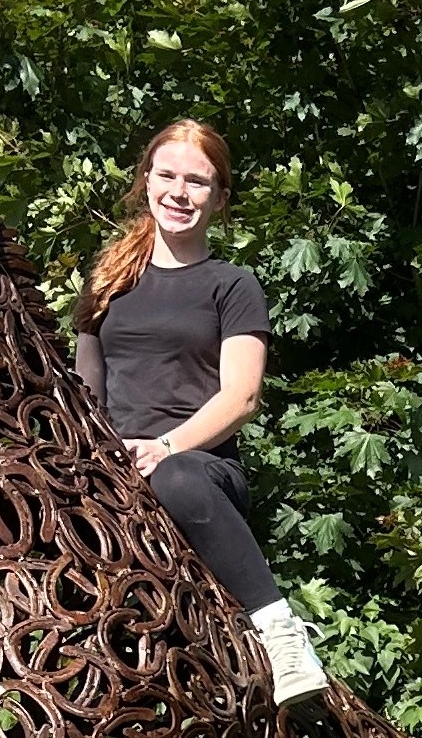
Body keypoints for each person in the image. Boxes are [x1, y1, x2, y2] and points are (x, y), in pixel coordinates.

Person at [74, 119, 327, 707]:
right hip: (116, 465)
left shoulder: (233, 286)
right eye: (167, 176)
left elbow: (241, 397)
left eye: (197, 182)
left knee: (177, 474)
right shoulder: (107, 282)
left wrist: (165, 446)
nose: (179, 193)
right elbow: (87, 392)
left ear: (219, 197)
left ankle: (281, 634)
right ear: (146, 180)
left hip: (201, 469)